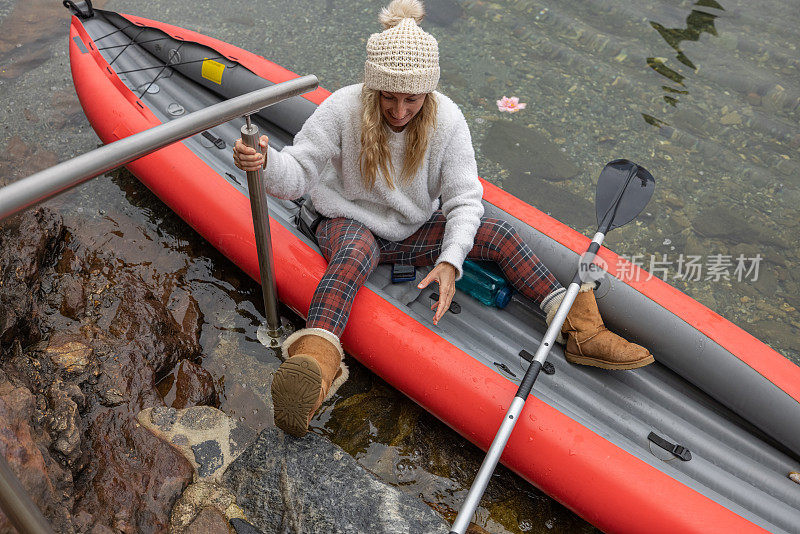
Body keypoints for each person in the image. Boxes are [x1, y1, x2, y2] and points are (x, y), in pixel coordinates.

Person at [234, 0, 653, 438]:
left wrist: (451, 261)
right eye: (388, 98)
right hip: (345, 216)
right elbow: (297, 175)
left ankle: (578, 328)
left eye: (411, 99)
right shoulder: (343, 108)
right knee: (355, 252)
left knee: (499, 233)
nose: (399, 111)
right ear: (371, 87)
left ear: (427, 93)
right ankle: (313, 368)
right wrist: (264, 163)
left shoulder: (448, 120)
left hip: (410, 229)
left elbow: (466, 201)